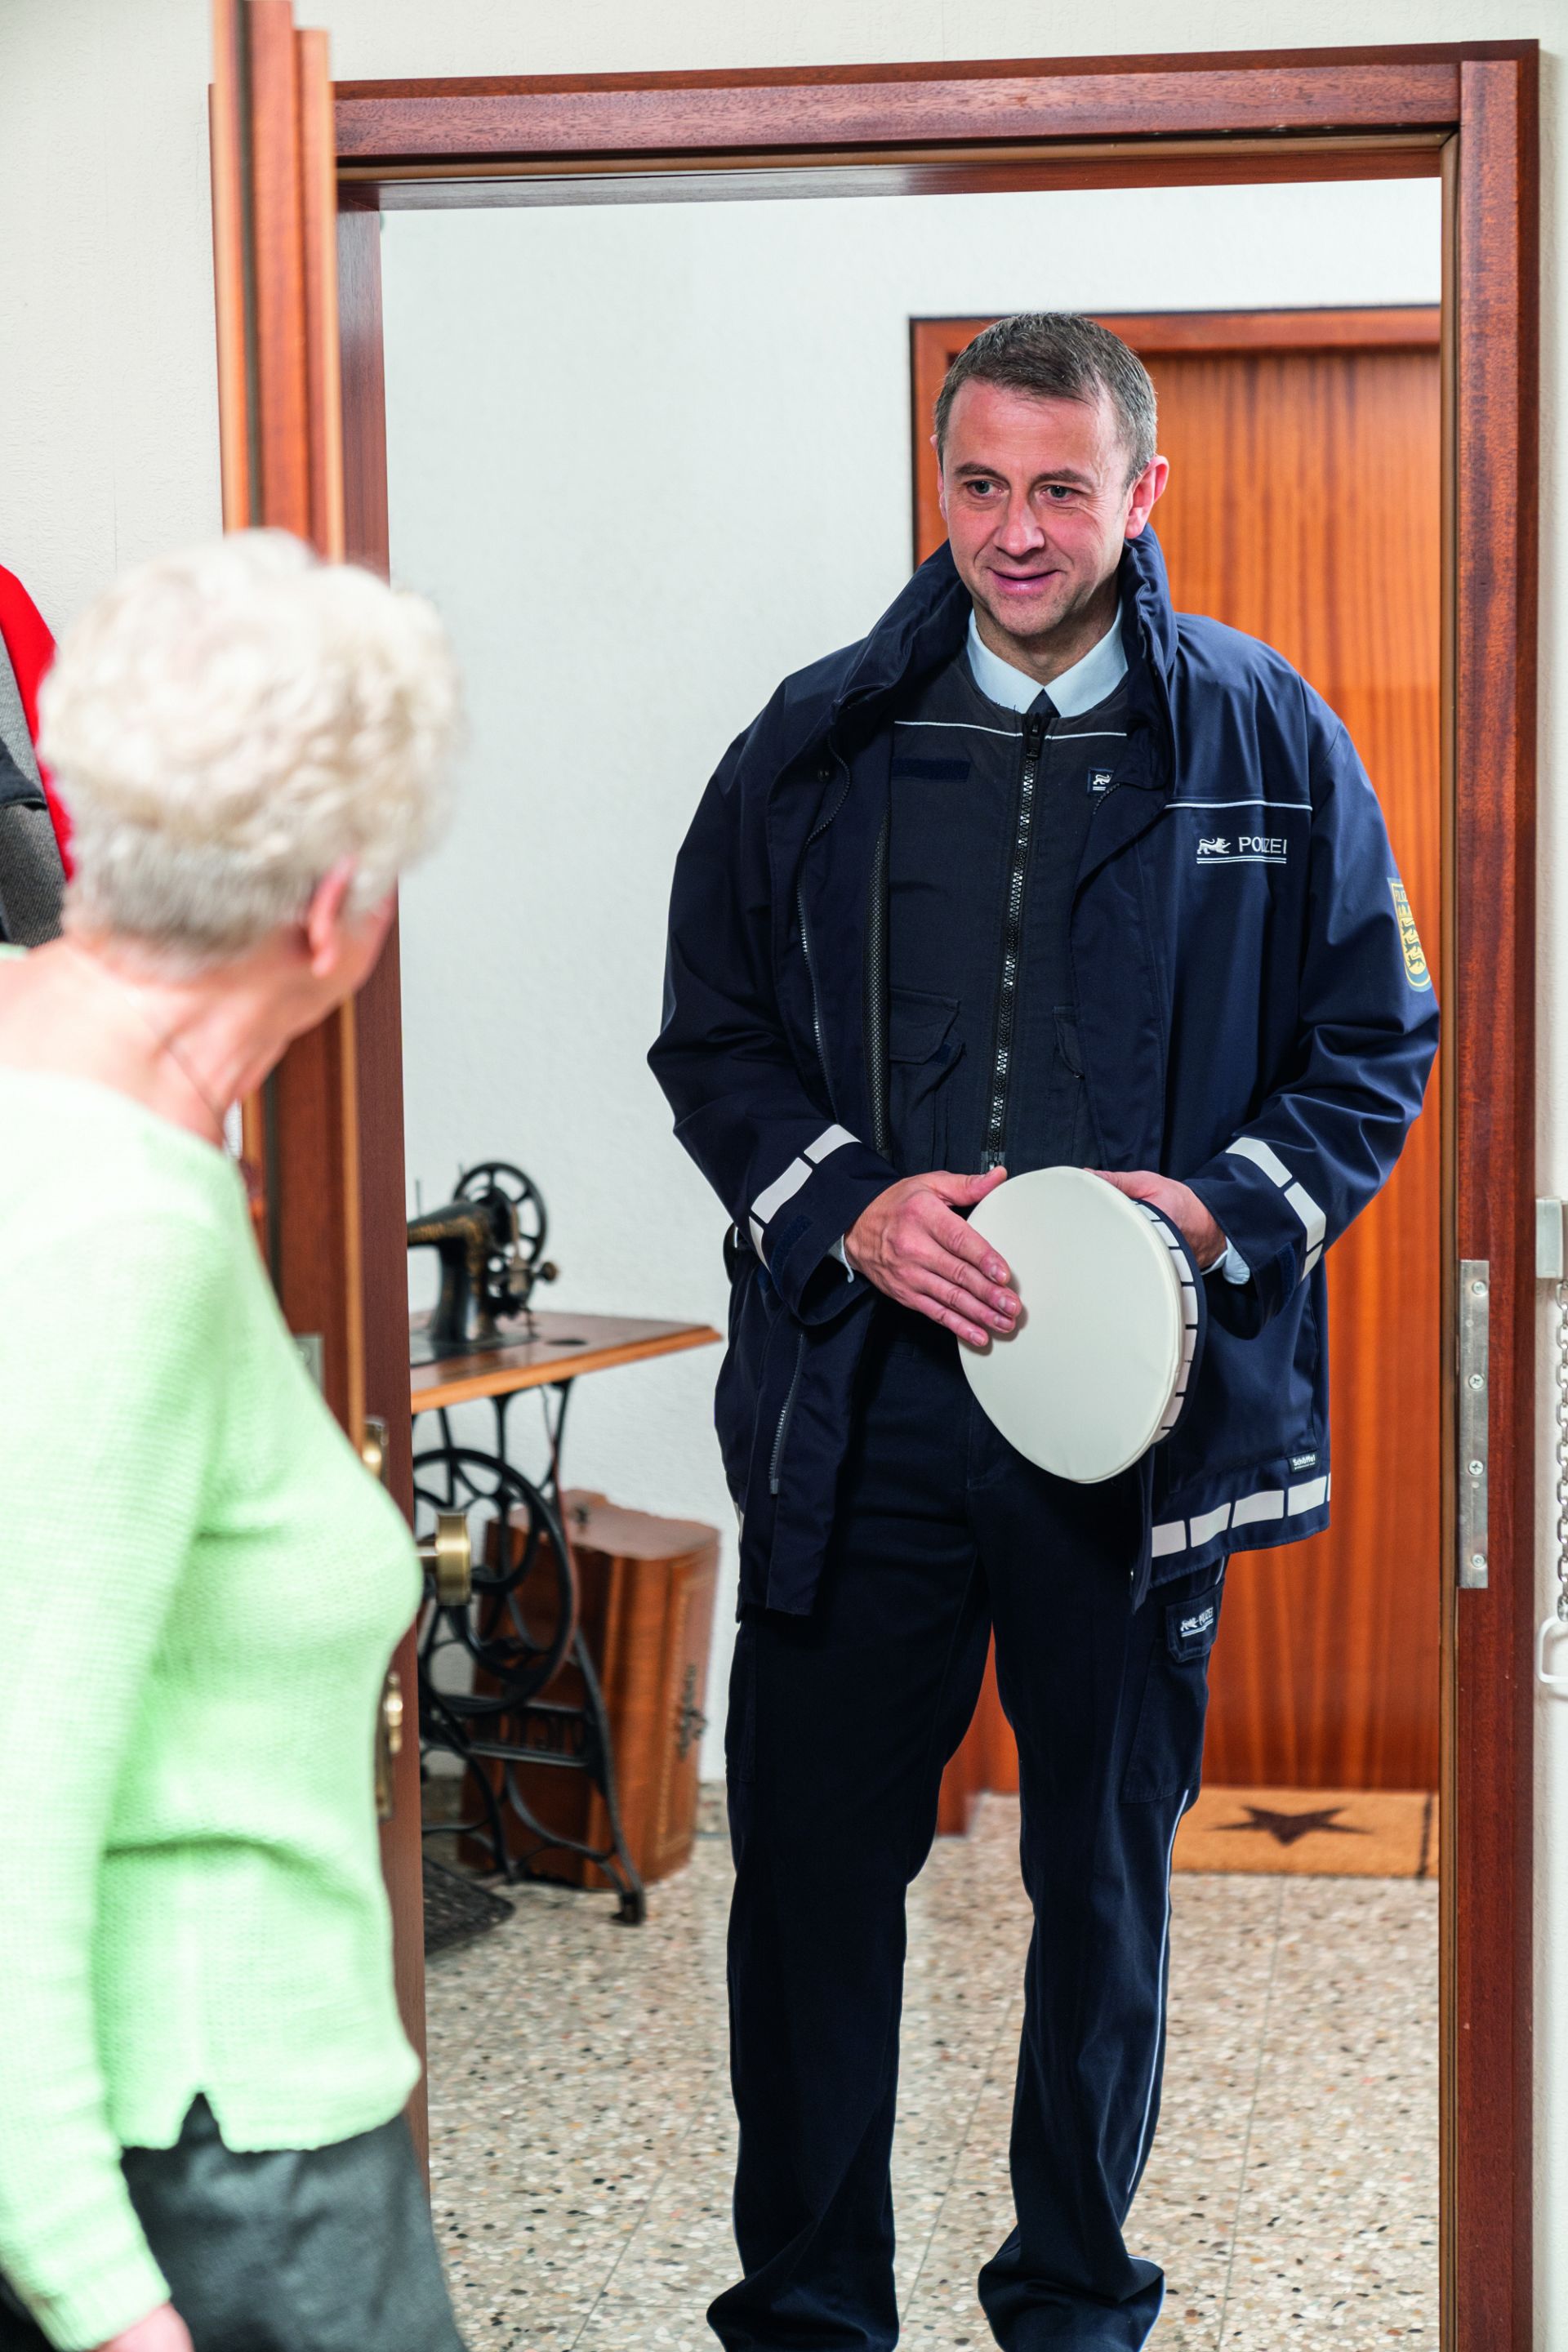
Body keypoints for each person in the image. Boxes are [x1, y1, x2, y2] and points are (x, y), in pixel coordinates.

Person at [649, 313, 1439, 2350]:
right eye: (982, 482)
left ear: (1141, 492)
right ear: (944, 478)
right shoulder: (814, 742)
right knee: (816, 1886)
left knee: (1102, 1893)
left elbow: (1374, 1039)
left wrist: (1220, 1212)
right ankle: (813, 2310)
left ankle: (1075, 2301)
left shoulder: (1269, 741)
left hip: (1131, 1425)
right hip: (867, 1416)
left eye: (1062, 487)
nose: (1018, 529)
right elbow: (713, 1037)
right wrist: (851, 1200)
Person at [0, 533, 465, 2352]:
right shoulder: (111, 1219)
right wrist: (104, 2295)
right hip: (207, 2169)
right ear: (335, 904)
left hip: (209, 2137)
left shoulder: (81, 1110)